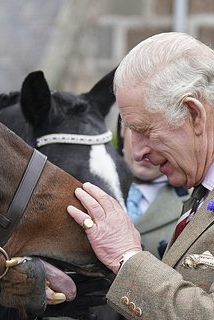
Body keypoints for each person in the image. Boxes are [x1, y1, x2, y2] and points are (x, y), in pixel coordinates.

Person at [67, 32, 214, 320]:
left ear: (194, 114)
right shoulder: (199, 192)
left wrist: (127, 257)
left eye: (144, 130)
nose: (137, 153)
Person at [118, 117, 190, 258]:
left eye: (161, 138)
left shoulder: (196, 202)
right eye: (138, 132)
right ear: (122, 129)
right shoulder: (86, 185)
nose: (144, 150)